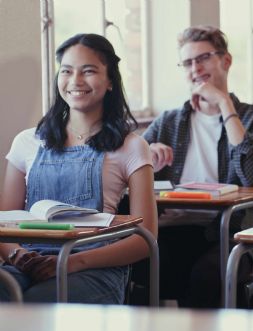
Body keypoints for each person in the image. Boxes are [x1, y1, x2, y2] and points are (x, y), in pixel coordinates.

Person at [0, 33, 157, 303]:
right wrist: (18, 254)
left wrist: (72, 263)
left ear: (110, 81)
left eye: (89, 71)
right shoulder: (27, 141)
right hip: (26, 262)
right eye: (67, 71)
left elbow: (146, 238)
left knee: (40, 303)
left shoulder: (131, 146)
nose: (76, 81)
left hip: (95, 268)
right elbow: (4, 222)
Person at [142, 25, 253, 308]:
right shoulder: (168, 122)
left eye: (203, 58)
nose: (195, 68)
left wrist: (225, 104)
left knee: (208, 274)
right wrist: (146, 156)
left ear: (225, 61)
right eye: (188, 62)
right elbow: (122, 170)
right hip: (171, 230)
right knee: (135, 263)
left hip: (230, 231)